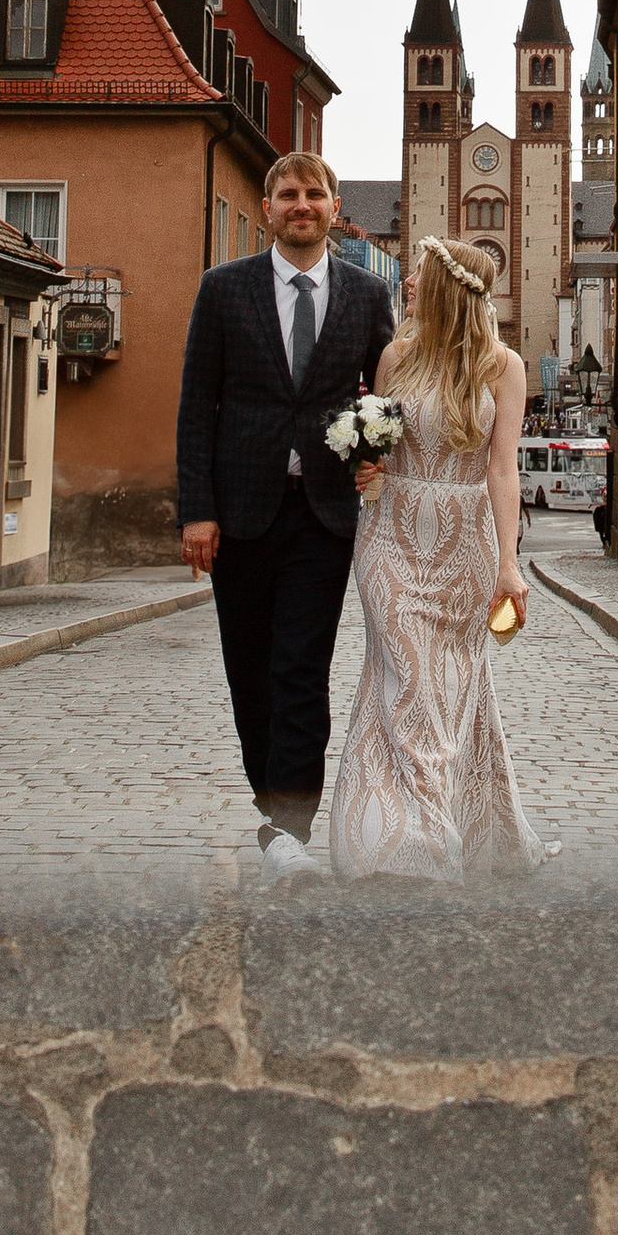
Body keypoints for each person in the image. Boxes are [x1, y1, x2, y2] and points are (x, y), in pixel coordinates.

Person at [175, 150, 399, 879]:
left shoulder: (368, 295)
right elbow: (195, 408)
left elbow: (383, 396)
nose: (301, 205)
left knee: (302, 666)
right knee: (251, 671)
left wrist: (378, 453)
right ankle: (272, 806)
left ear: (336, 209)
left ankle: (290, 827)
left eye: (315, 194)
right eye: (288, 195)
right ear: (268, 210)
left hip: (324, 513)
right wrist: (197, 511)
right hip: (239, 511)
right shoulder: (223, 289)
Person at [329, 234, 545, 879]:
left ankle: (460, 829)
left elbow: (502, 471)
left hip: (466, 541)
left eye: (418, 274)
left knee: (452, 689)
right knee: (408, 682)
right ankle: (416, 844)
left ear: (448, 287)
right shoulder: (397, 356)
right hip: (392, 536)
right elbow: (383, 442)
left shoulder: (503, 367)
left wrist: (508, 565)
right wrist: (365, 464)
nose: (408, 282)